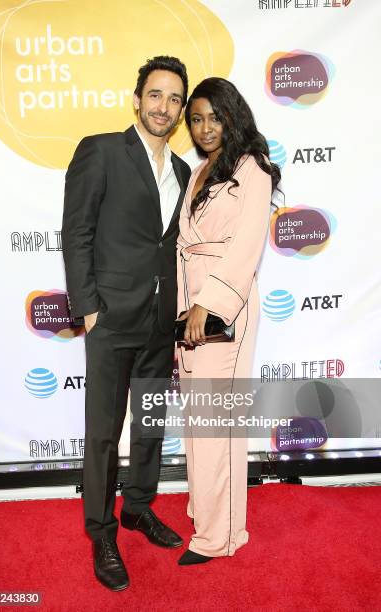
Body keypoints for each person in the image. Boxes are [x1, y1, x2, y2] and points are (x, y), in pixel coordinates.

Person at [62, 56, 191, 591]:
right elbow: (77, 232)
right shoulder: (102, 151)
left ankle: (138, 508)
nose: (164, 107)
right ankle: (102, 530)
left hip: (161, 321)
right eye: (155, 95)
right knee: (102, 435)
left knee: (150, 427)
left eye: (175, 99)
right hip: (111, 320)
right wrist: (88, 308)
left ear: (181, 110)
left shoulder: (183, 171)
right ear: (137, 99)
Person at [176, 77, 281, 565]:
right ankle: (209, 515)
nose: (204, 127)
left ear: (232, 115)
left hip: (225, 308)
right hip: (191, 311)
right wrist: (182, 309)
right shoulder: (200, 173)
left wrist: (209, 303)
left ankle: (218, 537)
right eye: (195, 119)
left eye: (214, 117)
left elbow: (245, 248)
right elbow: (182, 251)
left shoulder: (252, 169)